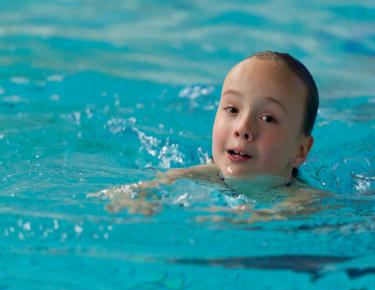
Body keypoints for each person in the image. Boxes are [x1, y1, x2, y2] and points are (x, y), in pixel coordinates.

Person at [90, 51, 325, 217]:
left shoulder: (303, 200)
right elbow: (156, 185)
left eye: (268, 118)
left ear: (300, 150)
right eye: (232, 109)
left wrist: (260, 217)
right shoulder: (197, 175)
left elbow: (305, 210)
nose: (242, 128)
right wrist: (138, 195)